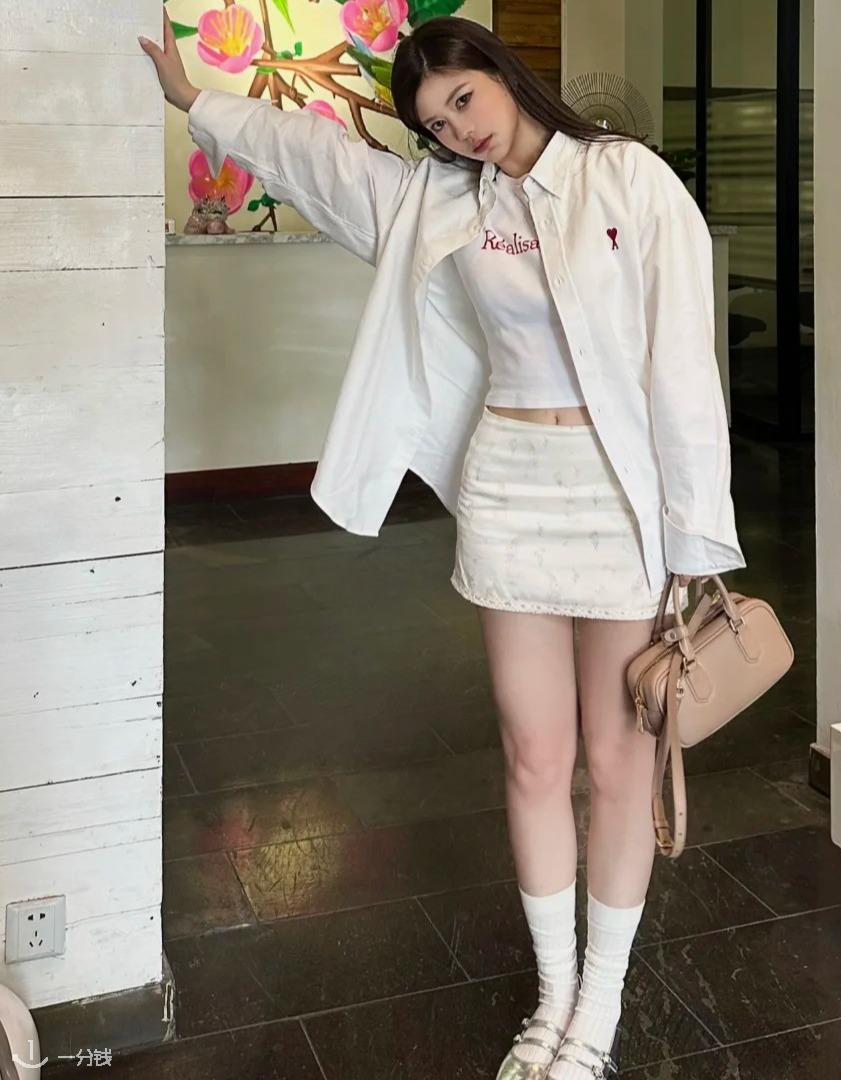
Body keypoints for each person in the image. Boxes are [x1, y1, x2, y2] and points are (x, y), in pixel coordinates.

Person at [141, 13, 745, 1079]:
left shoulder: (625, 178)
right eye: (436, 123)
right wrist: (200, 102)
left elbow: (685, 365)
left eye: (464, 99)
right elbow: (321, 161)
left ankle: (599, 1011)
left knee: (618, 760)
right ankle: (552, 997)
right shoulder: (443, 200)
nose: (459, 130)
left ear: (500, 74)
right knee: (532, 754)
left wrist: (694, 532)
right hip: (509, 490)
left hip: (618, 499)